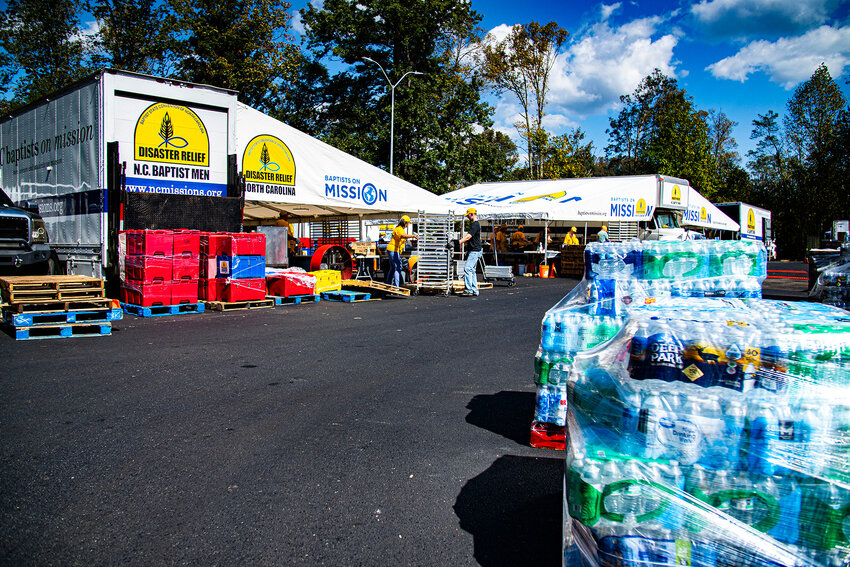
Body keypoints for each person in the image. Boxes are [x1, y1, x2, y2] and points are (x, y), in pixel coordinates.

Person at [385, 215, 418, 287]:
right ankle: (397, 286)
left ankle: (388, 284)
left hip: (393, 250)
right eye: (408, 223)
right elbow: (403, 236)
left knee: (393, 268)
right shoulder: (399, 229)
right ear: (405, 223)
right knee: (398, 267)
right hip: (393, 250)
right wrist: (413, 236)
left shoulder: (399, 228)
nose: (408, 224)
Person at [458, 208, 482, 296]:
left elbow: (468, 237)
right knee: (472, 270)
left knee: (467, 269)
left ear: (472, 214)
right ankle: (475, 290)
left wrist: (458, 242)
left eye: (468, 215)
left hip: (474, 251)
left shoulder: (475, 225)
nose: (467, 217)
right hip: (475, 250)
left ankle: (469, 290)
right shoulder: (476, 224)